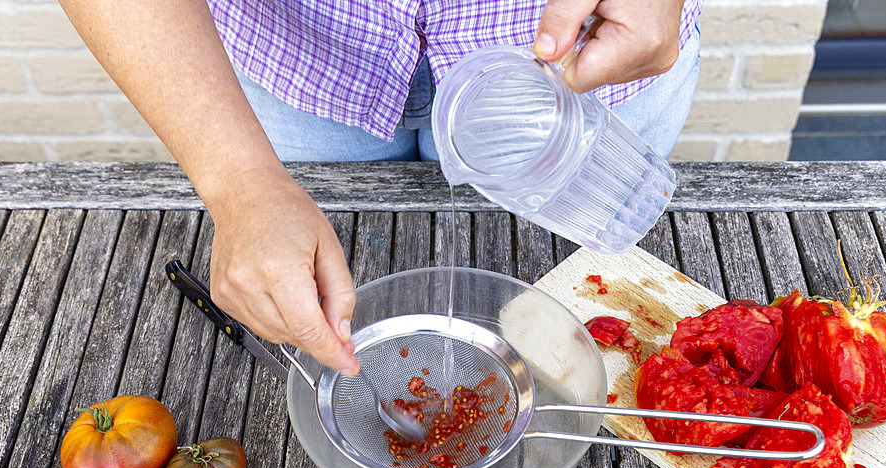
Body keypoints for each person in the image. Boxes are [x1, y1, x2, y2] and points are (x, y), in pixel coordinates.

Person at [58, 0, 702, 377]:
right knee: (306, 303)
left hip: (582, 65)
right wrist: (241, 184)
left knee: (597, 331)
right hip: (295, 67)